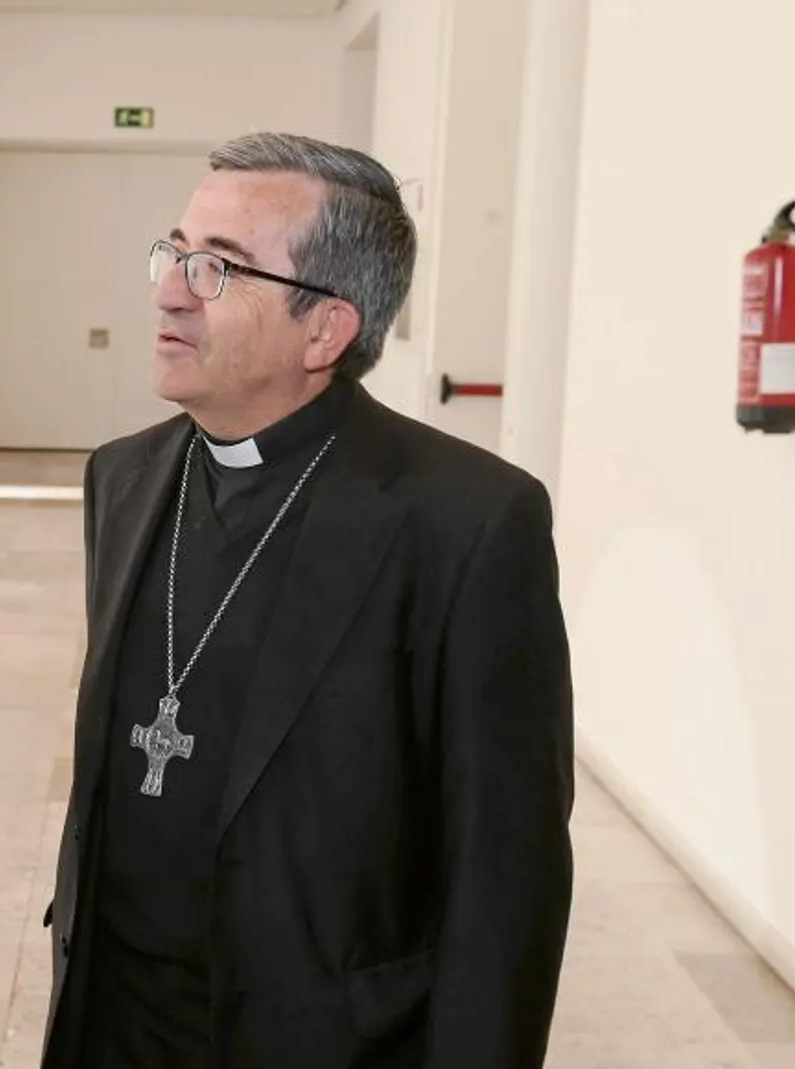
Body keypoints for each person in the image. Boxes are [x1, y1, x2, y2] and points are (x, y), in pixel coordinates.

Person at [40, 133, 575, 1068]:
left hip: (322, 1038)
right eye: (175, 252)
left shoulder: (467, 522)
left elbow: (507, 876)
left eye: (218, 269)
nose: (169, 288)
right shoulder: (121, 477)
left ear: (326, 329)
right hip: (113, 1020)